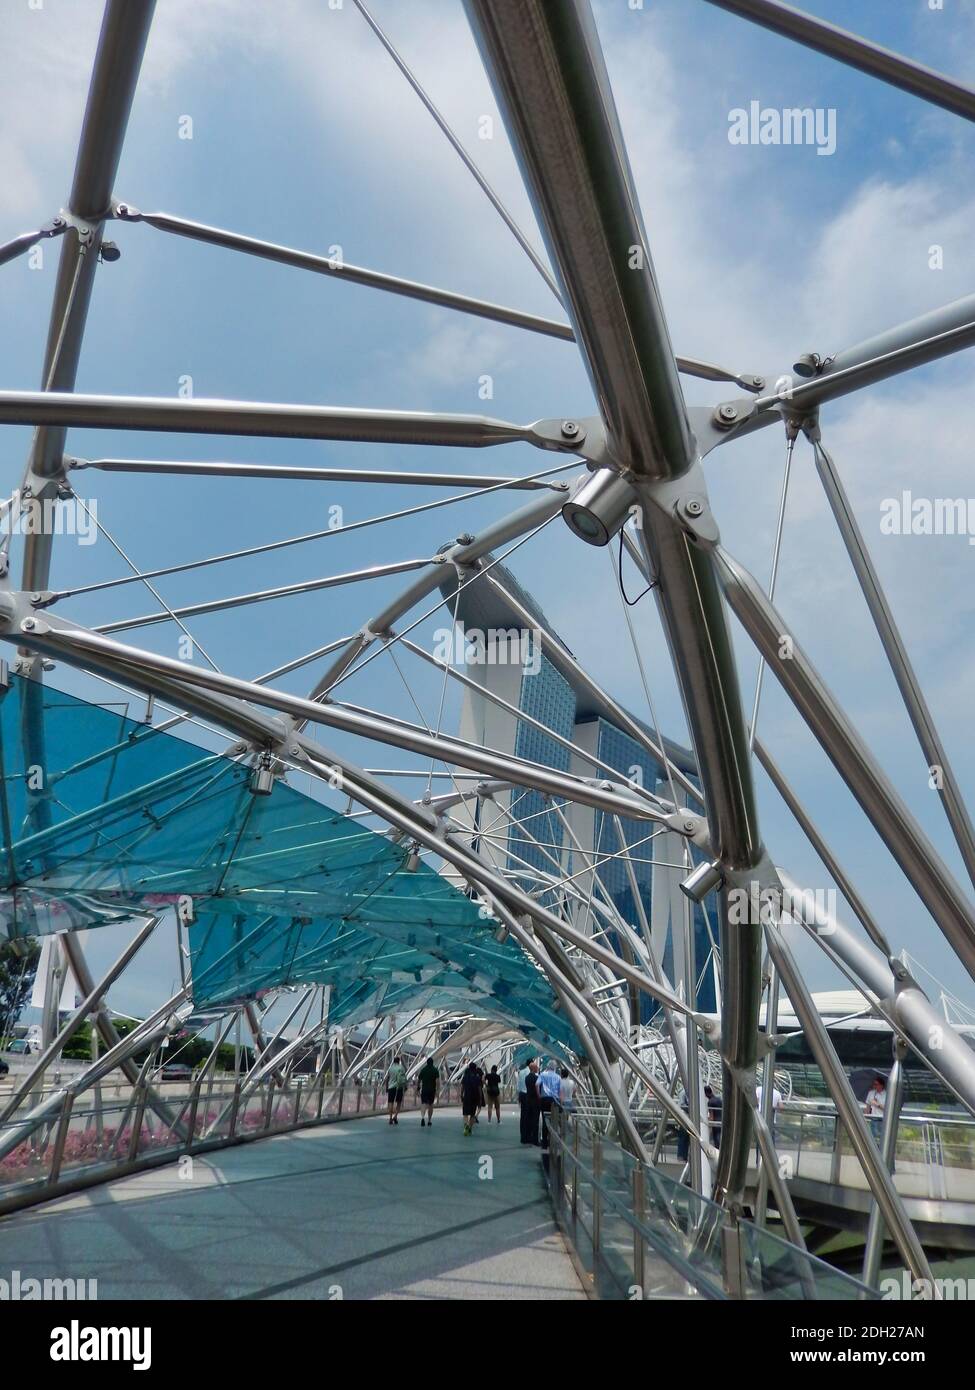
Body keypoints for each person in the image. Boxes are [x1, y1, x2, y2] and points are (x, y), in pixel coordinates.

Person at [537, 1058, 561, 1149]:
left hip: (544, 1099)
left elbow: (537, 1084)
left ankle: (544, 1141)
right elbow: (560, 1090)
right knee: (553, 1119)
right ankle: (552, 1140)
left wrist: (539, 1095)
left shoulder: (543, 1075)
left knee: (544, 1119)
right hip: (554, 1100)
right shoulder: (558, 1077)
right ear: (555, 1067)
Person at [416, 1055, 440, 1128]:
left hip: (424, 1089)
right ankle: (429, 1120)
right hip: (432, 1090)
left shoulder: (423, 1070)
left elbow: (419, 1080)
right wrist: (437, 1090)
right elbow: (437, 1081)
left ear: (426, 1063)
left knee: (423, 1104)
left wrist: (418, 1088)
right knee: (430, 1105)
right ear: (432, 1063)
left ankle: (423, 1118)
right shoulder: (435, 1070)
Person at [522, 1059, 540, 1146]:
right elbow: (538, 1089)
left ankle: (527, 1137)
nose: (537, 1068)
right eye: (536, 1067)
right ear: (533, 1068)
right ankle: (535, 1139)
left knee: (528, 1119)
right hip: (535, 1101)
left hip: (528, 1100)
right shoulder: (537, 1078)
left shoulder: (527, 1078)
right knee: (535, 1121)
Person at [461, 1061, 481, 1136]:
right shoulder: (477, 1078)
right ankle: (470, 1128)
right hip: (475, 1097)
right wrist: (480, 1099)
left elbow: (462, 1087)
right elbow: (479, 1090)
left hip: (467, 1096)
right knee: (472, 1114)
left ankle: (466, 1125)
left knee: (465, 1113)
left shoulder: (465, 1077)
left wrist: (461, 1095)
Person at [864, 1075, 887, 1142]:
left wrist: (878, 1104)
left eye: (876, 1084)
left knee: (881, 1138)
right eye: (874, 1084)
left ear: (881, 1085)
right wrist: (866, 1114)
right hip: (873, 1118)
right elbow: (867, 1107)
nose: (875, 1086)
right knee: (873, 1137)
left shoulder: (887, 1095)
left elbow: (887, 1109)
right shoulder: (871, 1093)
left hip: (882, 1119)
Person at [387, 1055, 407, 1125]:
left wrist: (387, 1087)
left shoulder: (390, 1068)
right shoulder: (401, 1068)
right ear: (399, 1061)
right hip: (399, 1087)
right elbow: (404, 1078)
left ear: (393, 1061)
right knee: (398, 1102)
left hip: (391, 1087)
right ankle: (395, 1116)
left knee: (390, 1102)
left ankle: (390, 1118)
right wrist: (405, 1086)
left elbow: (388, 1078)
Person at [517, 1057, 532, 1143]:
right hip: (529, 1095)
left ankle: (523, 1136)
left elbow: (518, 1086)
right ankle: (528, 1136)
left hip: (522, 1094)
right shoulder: (531, 1073)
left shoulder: (521, 1072)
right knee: (529, 1116)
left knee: (523, 1116)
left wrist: (518, 1097)